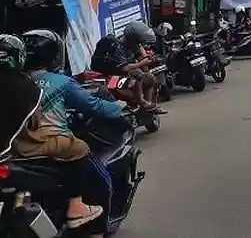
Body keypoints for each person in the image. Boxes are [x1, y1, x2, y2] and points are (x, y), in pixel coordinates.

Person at [23, 30, 126, 238]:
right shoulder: (60, 82)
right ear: (54, 55)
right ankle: (95, 228)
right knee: (101, 180)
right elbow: (94, 105)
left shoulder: (15, 81)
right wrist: (117, 107)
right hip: (52, 145)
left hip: (15, 148)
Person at [0, 34, 104, 230]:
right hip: (14, 149)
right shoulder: (27, 85)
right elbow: (33, 122)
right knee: (79, 147)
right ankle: (76, 207)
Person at [90, 21, 161, 113]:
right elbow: (124, 68)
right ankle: (141, 102)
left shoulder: (133, 46)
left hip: (121, 77)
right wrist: (142, 63)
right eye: (139, 42)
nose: (140, 45)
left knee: (150, 78)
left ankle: (147, 108)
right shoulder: (116, 47)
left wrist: (146, 57)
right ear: (133, 39)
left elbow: (143, 58)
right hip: (109, 78)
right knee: (138, 73)